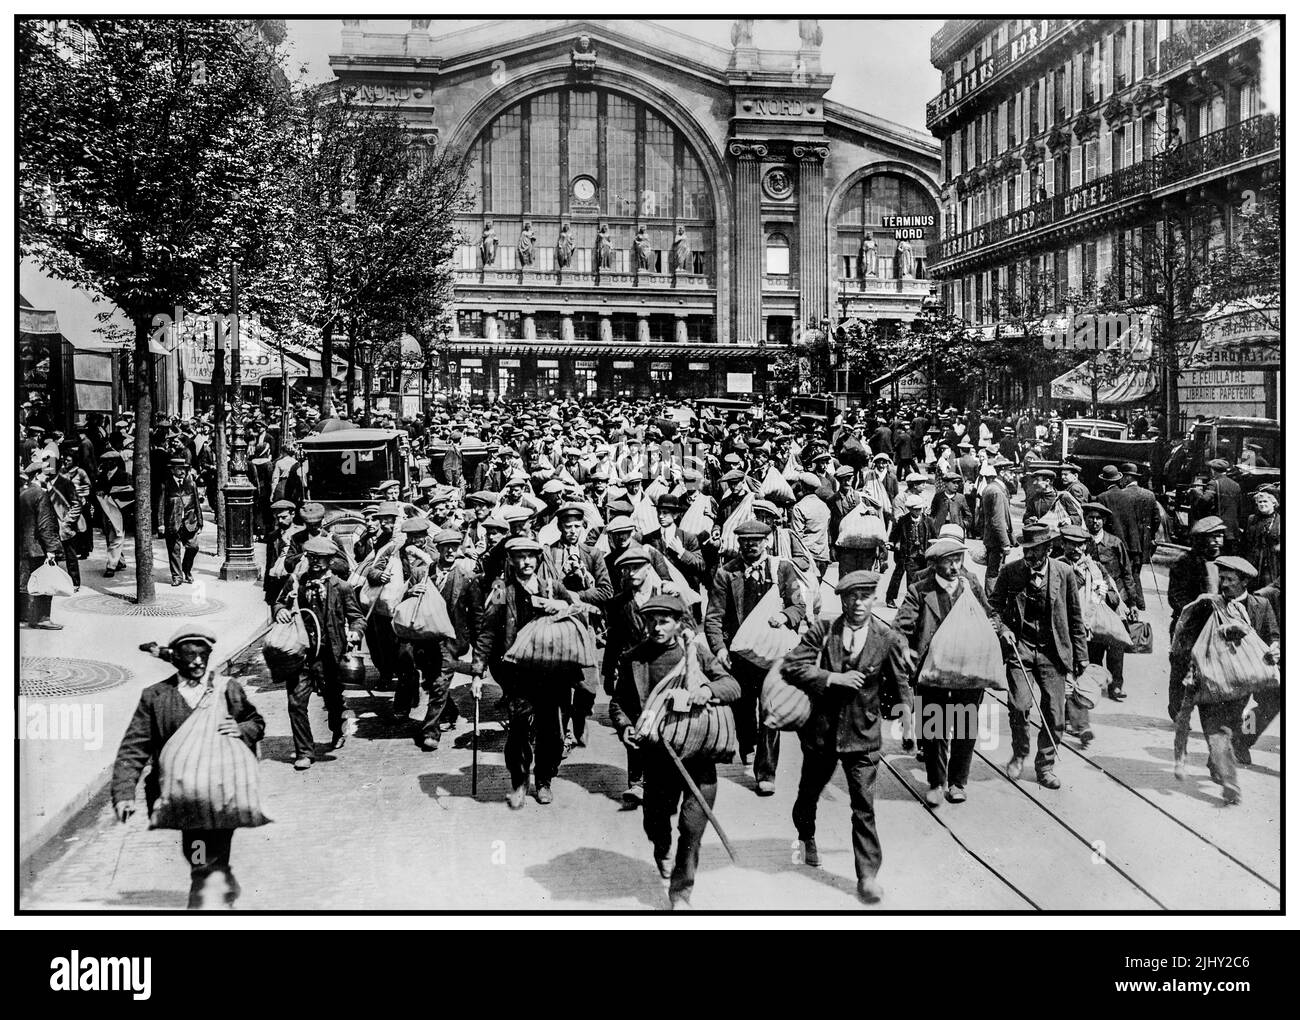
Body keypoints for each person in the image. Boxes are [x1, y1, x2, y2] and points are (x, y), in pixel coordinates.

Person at [111, 624, 265, 908]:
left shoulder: (227, 690)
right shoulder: (156, 697)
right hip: (181, 797)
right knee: (196, 852)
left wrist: (241, 728)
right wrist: (123, 793)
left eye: (203, 655)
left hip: (222, 793)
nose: (197, 661)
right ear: (176, 657)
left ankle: (205, 902)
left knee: (212, 855)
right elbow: (134, 747)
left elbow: (256, 722)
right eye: (190, 655)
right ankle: (219, 884)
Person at [782, 570, 912, 904]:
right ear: (842, 600)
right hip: (822, 733)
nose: (858, 604)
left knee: (864, 807)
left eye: (865, 596)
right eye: (851, 597)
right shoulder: (824, 631)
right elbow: (791, 666)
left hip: (863, 734)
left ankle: (867, 876)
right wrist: (831, 678)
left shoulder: (887, 637)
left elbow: (900, 683)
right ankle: (805, 834)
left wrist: (908, 717)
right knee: (808, 793)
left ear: (873, 599)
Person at [610, 594, 740, 909]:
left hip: (700, 759)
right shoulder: (633, 659)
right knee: (656, 822)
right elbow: (619, 703)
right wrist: (625, 727)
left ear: (678, 623)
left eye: (664, 620)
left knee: (692, 829)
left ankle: (680, 893)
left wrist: (706, 690)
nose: (657, 626)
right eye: (651, 620)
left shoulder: (696, 654)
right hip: (658, 760)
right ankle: (661, 849)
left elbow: (732, 686)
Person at [473, 537, 582, 808]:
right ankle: (520, 781)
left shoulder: (552, 587)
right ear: (511, 560)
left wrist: (561, 607)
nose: (526, 562)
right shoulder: (502, 591)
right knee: (519, 731)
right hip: (518, 673)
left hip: (551, 672)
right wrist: (477, 672)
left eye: (530, 556)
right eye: (519, 557)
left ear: (538, 559)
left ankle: (544, 780)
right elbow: (487, 632)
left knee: (552, 734)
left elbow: (578, 614)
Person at [704, 519, 806, 795]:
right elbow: (713, 618)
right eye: (745, 542)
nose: (751, 546)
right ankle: (746, 743)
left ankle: (766, 773)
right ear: (739, 544)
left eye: (756, 541)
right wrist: (720, 650)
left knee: (770, 711)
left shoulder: (782, 569)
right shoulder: (726, 573)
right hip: (740, 656)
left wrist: (785, 616)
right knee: (743, 710)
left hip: (773, 655)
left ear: (767, 542)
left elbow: (799, 605)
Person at [1168, 556, 1279, 803]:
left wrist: (1275, 647)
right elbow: (1186, 638)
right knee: (1217, 730)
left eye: (1231, 579)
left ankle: (1218, 762)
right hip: (1208, 678)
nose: (1225, 584)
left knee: (1226, 730)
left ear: (1245, 582)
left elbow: (1273, 634)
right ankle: (1229, 781)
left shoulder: (1260, 605)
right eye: (1223, 579)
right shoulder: (1208, 605)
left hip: (1240, 682)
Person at [893, 538, 995, 804]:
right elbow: (900, 627)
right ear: (934, 563)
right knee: (934, 728)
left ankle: (957, 782)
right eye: (949, 561)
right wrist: (904, 648)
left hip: (969, 668)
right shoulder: (919, 591)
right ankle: (937, 783)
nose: (954, 566)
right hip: (932, 670)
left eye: (958, 560)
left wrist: (1001, 630)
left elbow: (989, 614)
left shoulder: (970, 585)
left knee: (964, 727)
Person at [988, 524, 1088, 790]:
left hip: (1052, 652)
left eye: (1036, 550)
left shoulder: (1064, 573)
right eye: (1026, 551)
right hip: (1020, 647)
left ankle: (1045, 765)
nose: (1030, 556)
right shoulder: (1011, 572)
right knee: (1019, 706)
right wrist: (1004, 630)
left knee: (1055, 714)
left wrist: (1082, 658)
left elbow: (1075, 618)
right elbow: (994, 608)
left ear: (1048, 548)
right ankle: (1020, 752)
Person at [275, 536, 365, 770]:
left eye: (321, 558)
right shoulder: (296, 582)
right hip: (301, 653)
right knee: (296, 703)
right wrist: (281, 611)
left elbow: (357, 617)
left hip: (330, 655)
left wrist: (355, 632)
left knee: (333, 699)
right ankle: (304, 751)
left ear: (330, 560)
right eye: (312, 557)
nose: (316, 562)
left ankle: (337, 728)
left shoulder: (341, 587)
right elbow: (278, 604)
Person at [1082, 503, 1141, 701]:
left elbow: (1127, 572)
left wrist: (1132, 602)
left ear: (1104, 521)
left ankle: (1116, 685)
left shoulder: (1114, 542)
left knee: (1116, 644)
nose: (1095, 521)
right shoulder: (1082, 542)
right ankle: (1096, 682)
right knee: (1095, 643)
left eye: (1098, 518)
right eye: (1091, 517)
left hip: (1116, 600)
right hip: (1094, 598)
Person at [1166, 516, 1225, 653]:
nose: (1217, 540)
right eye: (1213, 537)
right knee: (1183, 665)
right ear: (1202, 539)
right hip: (1190, 624)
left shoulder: (1225, 561)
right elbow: (1176, 596)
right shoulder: (1185, 562)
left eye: (1220, 536)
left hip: (1218, 623)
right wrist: (1197, 608)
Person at [20, 460, 64, 630]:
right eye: (46, 474)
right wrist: (52, 549)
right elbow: (45, 524)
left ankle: (24, 616)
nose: (49, 477)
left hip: (23, 546)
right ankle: (42, 618)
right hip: (38, 547)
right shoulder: (40, 495)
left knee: (25, 582)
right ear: (38, 475)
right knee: (45, 583)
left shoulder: (23, 493)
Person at [884, 493, 938, 608]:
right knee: (898, 576)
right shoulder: (903, 521)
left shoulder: (928, 521)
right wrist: (892, 543)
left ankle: (917, 601)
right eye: (915, 510)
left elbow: (934, 537)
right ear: (909, 509)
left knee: (921, 579)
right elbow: (894, 535)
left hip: (922, 555)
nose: (918, 512)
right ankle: (890, 598)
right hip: (906, 555)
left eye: (920, 509)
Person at [161, 456, 203, 586]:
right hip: (172, 522)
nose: (183, 471)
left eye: (184, 469)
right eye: (179, 469)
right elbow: (161, 505)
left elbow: (197, 504)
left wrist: (200, 522)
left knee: (193, 547)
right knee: (174, 550)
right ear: (173, 470)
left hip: (190, 522)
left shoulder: (191, 484)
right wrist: (161, 524)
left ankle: (186, 569)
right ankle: (177, 576)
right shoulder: (166, 485)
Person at [980, 456, 1018, 589]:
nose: (1013, 476)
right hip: (996, 540)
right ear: (1002, 473)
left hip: (992, 538)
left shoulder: (994, 488)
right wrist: (1005, 543)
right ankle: (991, 603)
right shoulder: (997, 491)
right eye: (1010, 472)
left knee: (994, 570)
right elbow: (998, 521)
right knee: (994, 572)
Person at [1242, 489, 1281, 589]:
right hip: (1254, 560)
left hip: (1273, 562)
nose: (1262, 504)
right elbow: (1245, 542)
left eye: (1265, 501)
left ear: (1273, 503)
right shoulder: (1252, 519)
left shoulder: (1279, 520)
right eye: (1260, 502)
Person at [1205, 458, 1243, 554]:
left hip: (1217, 527)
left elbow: (1205, 500)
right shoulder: (1236, 485)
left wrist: (1195, 493)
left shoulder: (1213, 483)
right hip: (1232, 528)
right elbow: (1239, 507)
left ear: (1213, 471)